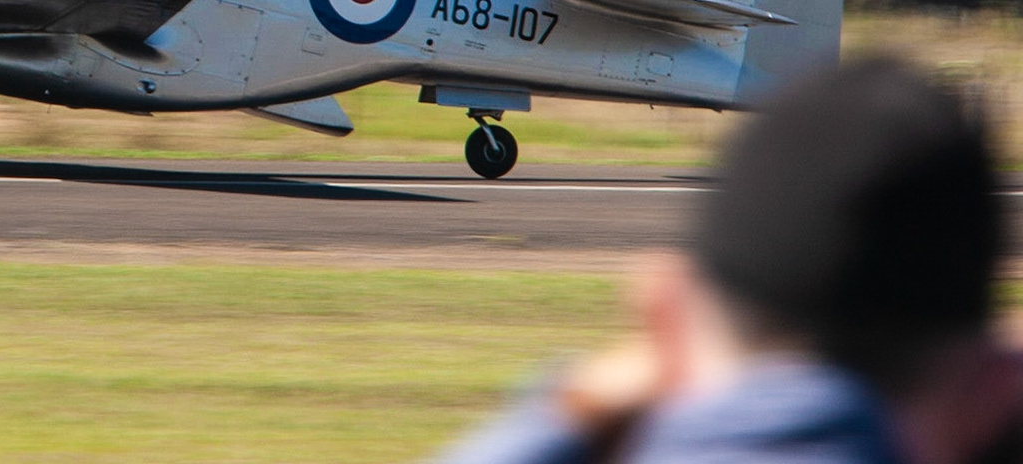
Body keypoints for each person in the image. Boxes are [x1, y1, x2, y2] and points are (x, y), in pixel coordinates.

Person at [433, 57, 1021, 464]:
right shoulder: (986, 396)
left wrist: (570, 412)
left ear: (663, 314)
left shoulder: (598, 410)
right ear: (996, 382)